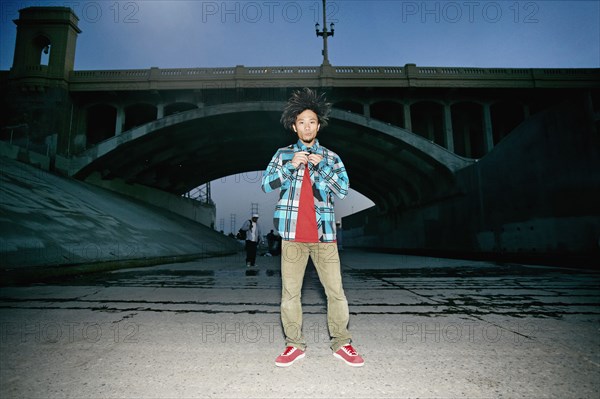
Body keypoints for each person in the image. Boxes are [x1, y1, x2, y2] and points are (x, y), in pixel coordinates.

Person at [261, 88, 364, 367]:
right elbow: (266, 184)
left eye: (312, 122)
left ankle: (342, 343)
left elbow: (343, 190)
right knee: (290, 295)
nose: (307, 126)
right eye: (302, 122)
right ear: (294, 126)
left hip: (325, 236)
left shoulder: (331, 157)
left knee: (336, 292)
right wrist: (289, 167)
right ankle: (294, 345)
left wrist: (324, 170)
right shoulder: (283, 154)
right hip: (293, 236)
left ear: (319, 126)